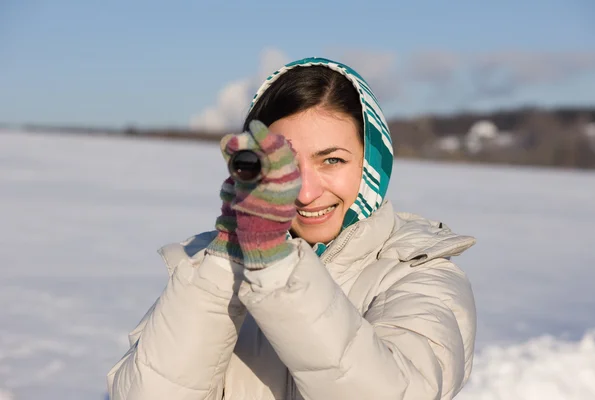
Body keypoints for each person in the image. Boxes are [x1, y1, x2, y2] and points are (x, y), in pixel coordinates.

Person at [107, 57, 477, 400]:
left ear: (372, 162)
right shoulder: (207, 268)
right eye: (284, 163)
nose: (305, 192)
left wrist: (274, 265)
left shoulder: (421, 274)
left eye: (331, 160)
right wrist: (228, 258)